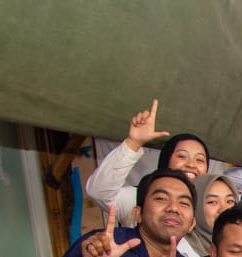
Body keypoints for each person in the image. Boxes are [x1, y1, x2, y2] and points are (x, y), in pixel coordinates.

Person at [30, 170, 195, 257]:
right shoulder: (105, 245)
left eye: (183, 203)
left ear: (192, 224)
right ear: (137, 214)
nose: (173, 208)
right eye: (161, 198)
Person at [84, 100, 208, 236]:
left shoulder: (214, 204)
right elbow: (99, 192)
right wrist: (133, 143)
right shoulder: (138, 197)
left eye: (199, 160)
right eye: (182, 156)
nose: (191, 164)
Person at [185, 172, 240, 257]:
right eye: (213, 202)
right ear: (196, 207)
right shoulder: (182, 253)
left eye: (229, 201)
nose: (224, 209)